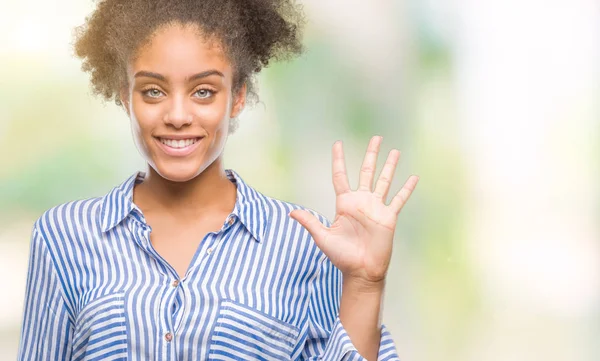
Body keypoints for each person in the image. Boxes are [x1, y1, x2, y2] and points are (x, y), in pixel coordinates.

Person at [17, 0, 419, 360]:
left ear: (238, 96)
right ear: (126, 95)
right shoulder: (63, 237)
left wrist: (366, 283)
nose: (177, 115)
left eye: (204, 91)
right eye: (153, 91)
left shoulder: (306, 243)